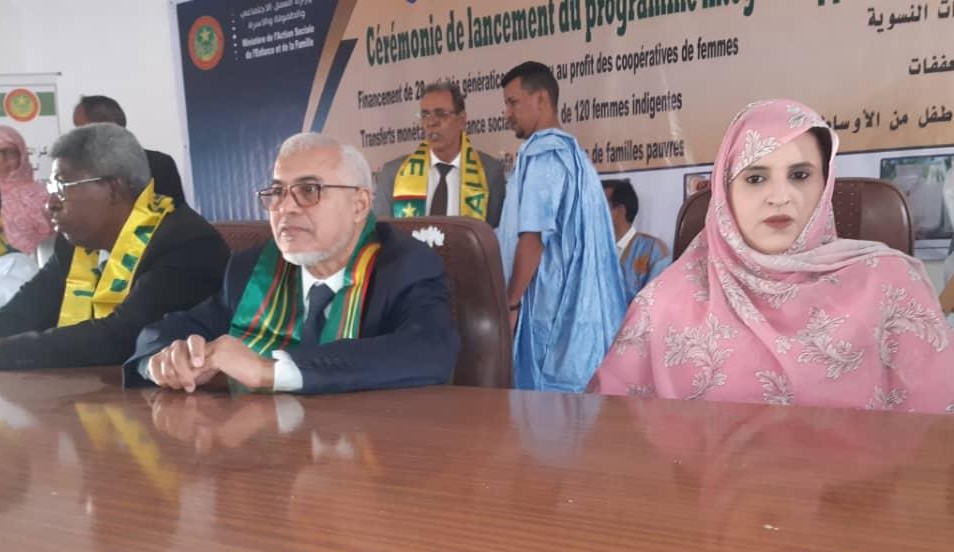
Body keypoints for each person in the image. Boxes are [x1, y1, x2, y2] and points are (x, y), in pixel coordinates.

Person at [593, 99, 954, 413]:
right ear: (724, 193)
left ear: (825, 184)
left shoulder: (890, 284)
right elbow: (615, 427)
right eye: (755, 178)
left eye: (800, 175)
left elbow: (936, 429)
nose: (780, 196)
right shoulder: (665, 302)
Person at [125, 133, 459, 394]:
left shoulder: (404, 265)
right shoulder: (251, 270)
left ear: (359, 205)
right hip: (266, 447)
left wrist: (268, 371)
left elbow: (429, 351)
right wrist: (168, 360)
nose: (286, 207)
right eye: (277, 192)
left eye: (309, 190)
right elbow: (159, 334)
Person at [0, 123, 229, 369]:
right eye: (51, 188)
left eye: (62, 187)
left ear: (113, 189)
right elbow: (22, 312)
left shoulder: (186, 244)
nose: (50, 204)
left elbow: (120, 339)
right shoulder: (74, 243)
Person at [496, 61, 626, 392]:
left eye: (513, 102)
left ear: (541, 99)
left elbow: (533, 238)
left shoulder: (544, 155)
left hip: (550, 320)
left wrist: (510, 303)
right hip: (583, 324)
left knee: (542, 413)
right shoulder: (575, 156)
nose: (507, 113)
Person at [374, 81, 507, 227]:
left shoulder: (489, 173)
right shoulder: (394, 174)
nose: (431, 122)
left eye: (441, 114)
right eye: (425, 115)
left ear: (461, 120)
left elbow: (494, 236)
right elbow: (380, 235)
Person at [73, 95, 186, 205]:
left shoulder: (158, 165)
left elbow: (177, 213)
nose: (75, 137)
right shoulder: (77, 172)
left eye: (79, 129)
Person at [0, 125, 53, 305]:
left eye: (9, 153)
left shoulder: (42, 196)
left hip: (36, 279)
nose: (2, 160)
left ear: (22, 154)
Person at [602, 178, 671, 302]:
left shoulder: (654, 251)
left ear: (620, 211)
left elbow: (655, 303)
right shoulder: (589, 251)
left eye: (599, 207)